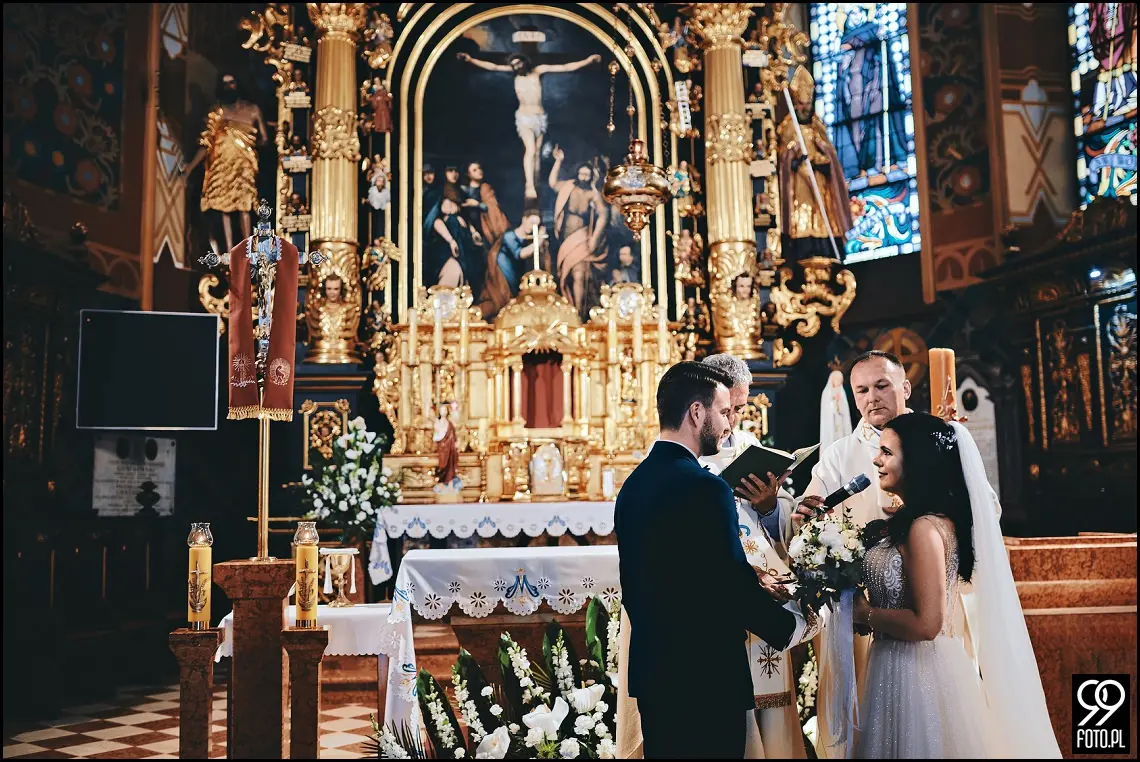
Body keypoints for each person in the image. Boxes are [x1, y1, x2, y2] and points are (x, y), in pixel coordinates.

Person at [616, 361, 806, 759]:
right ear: (696, 413)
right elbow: (731, 585)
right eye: (723, 412)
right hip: (706, 678)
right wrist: (792, 627)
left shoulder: (633, 486)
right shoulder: (706, 488)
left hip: (655, 677)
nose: (727, 425)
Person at [851, 413, 1060, 758]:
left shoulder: (923, 529)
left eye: (887, 452)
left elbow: (927, 623)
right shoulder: (913, 522)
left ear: (916, 462)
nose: (876, 459)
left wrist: (864, 612)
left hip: (916, 672)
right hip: (892, 662)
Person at [701, 354, 824, 759]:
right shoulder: (686, 452)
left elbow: (780, 525)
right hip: (719, 595)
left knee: (770, 716)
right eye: (728, 409)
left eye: (740, 408)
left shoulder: (750, 447)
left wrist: (770, 504)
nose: (733, 419)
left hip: (766, 591)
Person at [457, 50, 602, 199]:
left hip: (540, 117)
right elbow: (492, 67)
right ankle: (529, 185)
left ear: (525, 62)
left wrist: (588, 60)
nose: (517, 67)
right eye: (513, 65)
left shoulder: (538, 71)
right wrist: (470, 59)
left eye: (519, 63)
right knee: (531, 150)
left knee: (538, 153)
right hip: (524, 118)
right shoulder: (515, 75)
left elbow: (564, 67)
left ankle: (536, 182)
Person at [182, 73, 268, 254]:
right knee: (224, 207)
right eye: (225, 84)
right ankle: (229, 250)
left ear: (238, 84)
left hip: (244, 166)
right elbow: (206, 143)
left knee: (245, 204)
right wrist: (189, 169)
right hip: (221, 165)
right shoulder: (217, 112)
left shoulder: (252, 110)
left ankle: (247, 248)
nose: (229, 86)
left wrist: (249, 148)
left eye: (232, 82)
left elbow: (263, 138)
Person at [778, 66, 853, 263]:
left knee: (824, 211)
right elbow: (783, 156)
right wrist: (793, 157)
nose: (805, 108)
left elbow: (830, 153)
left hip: (819, 178)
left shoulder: (817, 125)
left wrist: (823, 158)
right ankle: (803, 246)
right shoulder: (788, 126)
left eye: (808, 103)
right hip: (799, 181)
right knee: (802, 210)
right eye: (801, 104)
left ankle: (826, 247)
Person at [549, 146, 608, 320]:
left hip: (582, 236)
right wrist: (558, 162)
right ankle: (570, 309)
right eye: (581, 174)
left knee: (579, 275)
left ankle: (578, 314)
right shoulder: (569, 187)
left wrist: (595, 237)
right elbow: (553, 184)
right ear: (577, 174)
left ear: (591, 176)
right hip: (566, 238)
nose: (583, 177)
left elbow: (604, 215)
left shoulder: (593, 195)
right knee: (566, 276)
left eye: (586, 175)